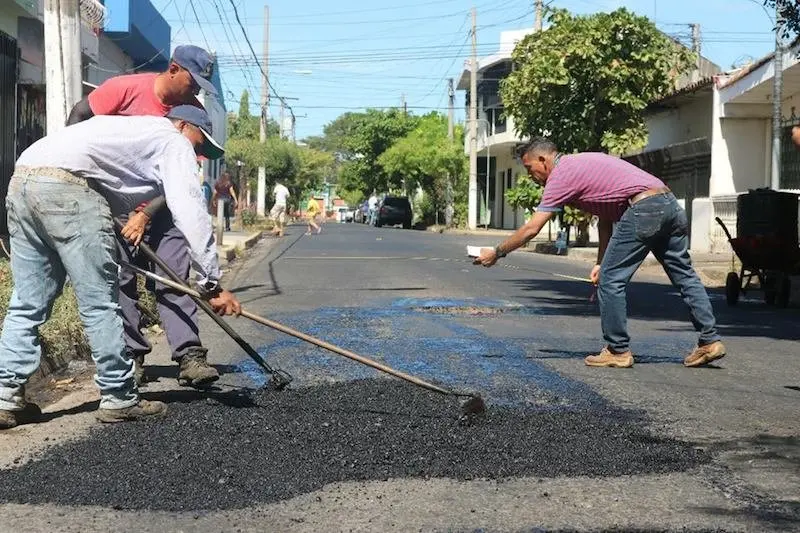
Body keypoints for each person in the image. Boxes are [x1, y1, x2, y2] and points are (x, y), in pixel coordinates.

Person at [0, 105, 241, 429]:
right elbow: (191, 213)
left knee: (27, 301)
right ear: (183, 126)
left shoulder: (130, 130)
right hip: (69, 190)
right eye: (199, 144)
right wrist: (211, 284)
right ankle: (119, 396)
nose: (198, 154)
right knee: (99, 301)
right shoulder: (173, 141)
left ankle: (4, 398)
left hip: (24, 179)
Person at [475, 138, 726, 369]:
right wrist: (601, 263)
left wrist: (497, 252)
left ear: (543, 159)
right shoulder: (582, 163)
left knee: (611, 281)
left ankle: (618, 350)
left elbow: (532, 229)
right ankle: (709, 341)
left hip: (644, 208)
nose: (531, 175)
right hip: (668, 203)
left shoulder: (561, 176)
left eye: (530, 168)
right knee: (684, 276)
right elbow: (606, 220)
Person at [66, 45, 223, 388]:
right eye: (192, 82)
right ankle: (131, 356)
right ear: (172, 69)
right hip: (115, 202)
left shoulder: (191, 115)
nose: (195, 93)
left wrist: (146, 214)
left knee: (174, 275)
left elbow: (179, 182)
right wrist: (84, 182)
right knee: (121, 279)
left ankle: (189, 354)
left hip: (160, 205)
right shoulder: (125, 89)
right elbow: (79, 115)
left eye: (200, 88)